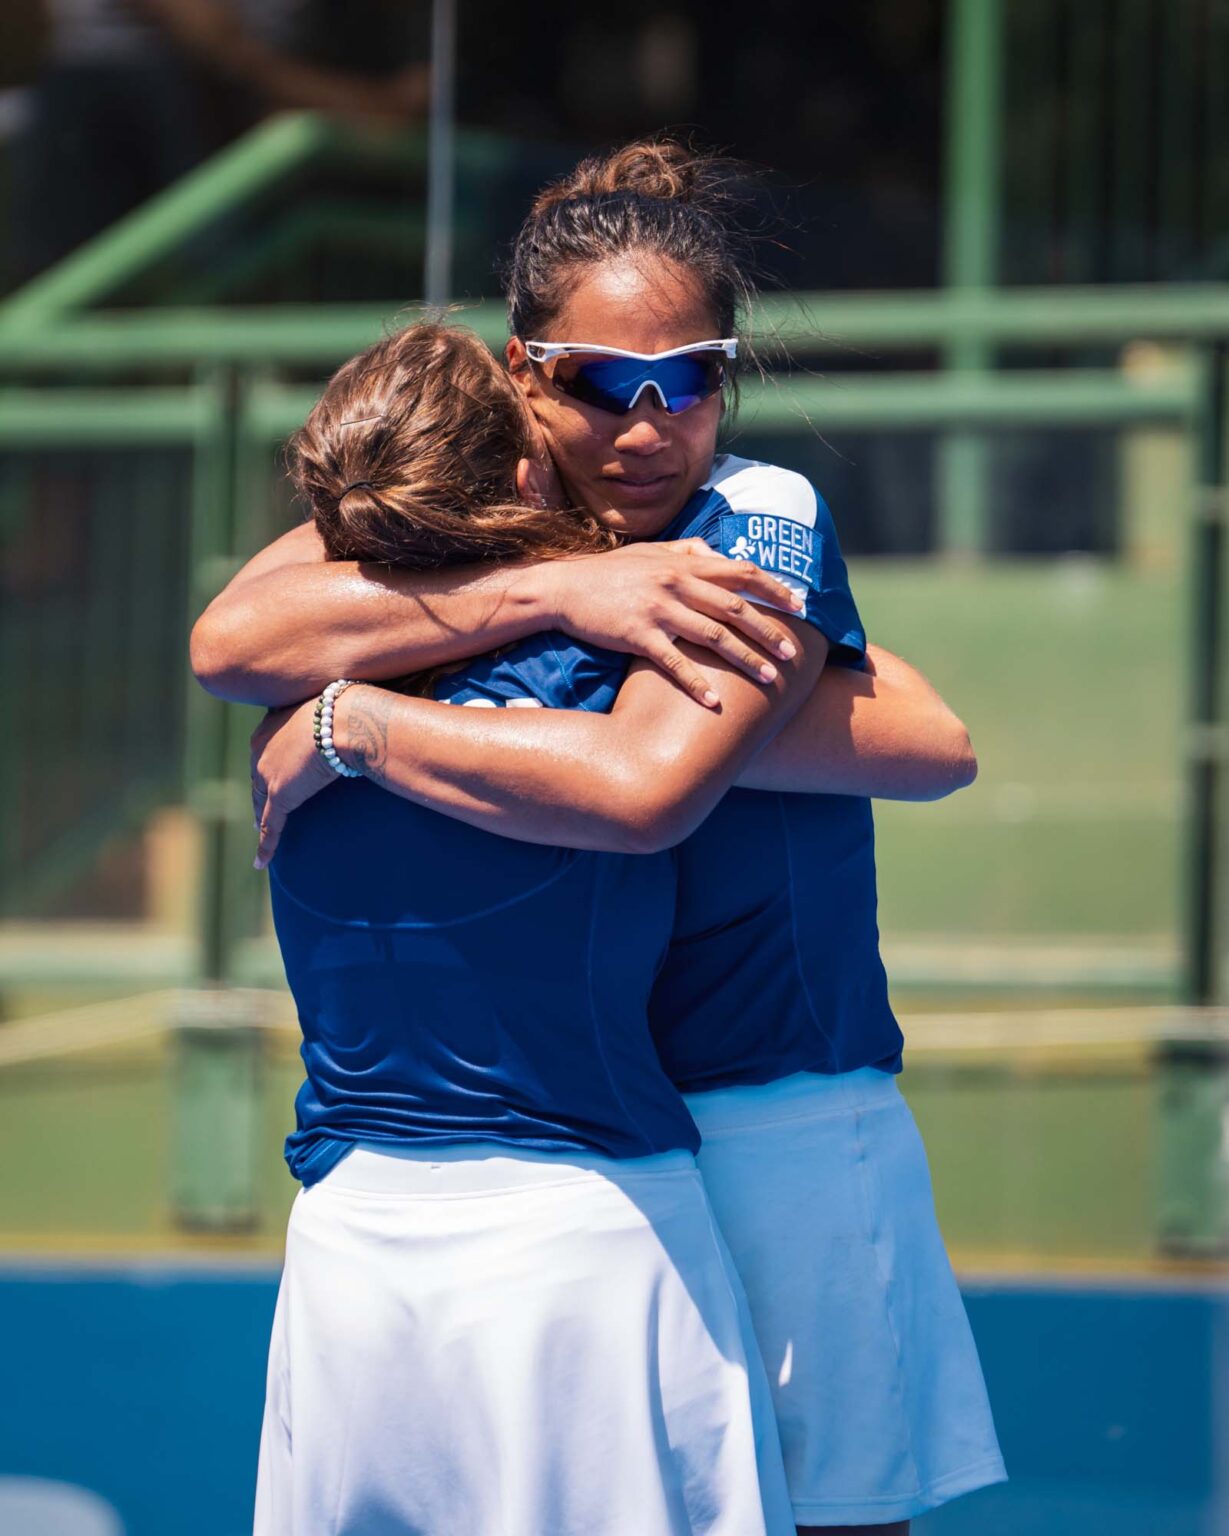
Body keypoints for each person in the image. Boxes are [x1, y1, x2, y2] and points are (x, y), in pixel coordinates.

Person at [198, 140, 1003, 1534]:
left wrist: (360, 720)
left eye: (688, 378)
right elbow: (233, 638)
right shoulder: (486, 521)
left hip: (770, 1112)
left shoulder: (755, 508)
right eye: (597, 381)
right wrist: (564, 596)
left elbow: (850, 750)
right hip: (604, 1139)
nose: (647, 425)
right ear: (523, 374)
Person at [247, 319, 799, 1536]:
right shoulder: (616, 678)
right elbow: (924, 741)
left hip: (345, 1261)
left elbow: (228, 634)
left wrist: (344, 720)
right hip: (583, 1248)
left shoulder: (285, 683)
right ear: (521, 478)